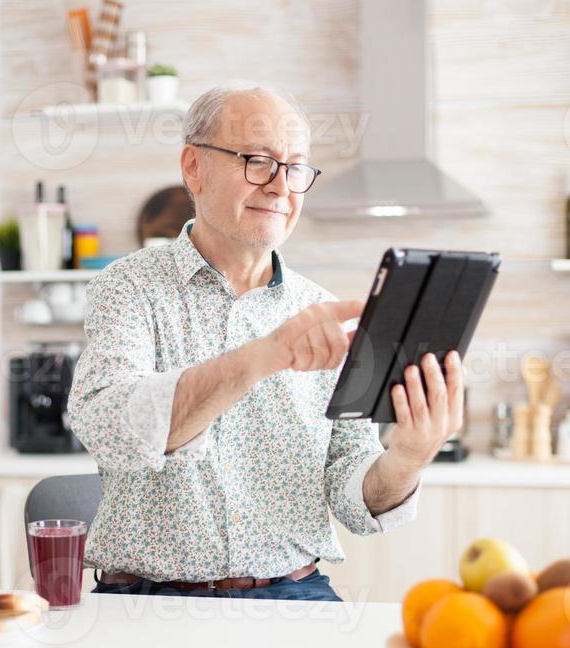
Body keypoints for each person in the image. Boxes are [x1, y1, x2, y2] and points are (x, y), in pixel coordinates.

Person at [68, 85, 463, 602]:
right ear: (194, 167)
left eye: (296, 167)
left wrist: (408, 457)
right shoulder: (128, 288)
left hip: (293, 593)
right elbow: (108, 427)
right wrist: (263, 355)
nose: (281, 187)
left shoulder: (323, 311)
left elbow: (354, 496)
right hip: (149, 597)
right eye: (257, 161)